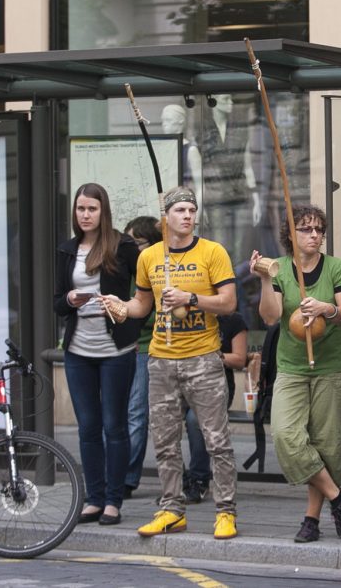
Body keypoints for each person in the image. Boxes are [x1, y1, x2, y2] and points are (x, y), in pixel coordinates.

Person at [106, 185, 240, 540]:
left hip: (203, 358)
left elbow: (228, 303)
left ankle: (225, 510)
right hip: (161, 360)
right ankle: (171, 510)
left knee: (216, 440)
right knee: (164, 441)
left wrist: (191, 297)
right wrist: (121, 309)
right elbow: (141, 305)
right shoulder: (149, 258)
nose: (187, 216)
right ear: (166, 217)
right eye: (180, 210)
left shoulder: (213, 252)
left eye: (191, 211)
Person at [250, 204, 341, 544]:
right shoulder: (279, 269)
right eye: (306, 229)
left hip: (330, 366)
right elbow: (270, 317)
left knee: (325, 444)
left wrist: (328, 308)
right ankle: (338, 495)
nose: (314, 235)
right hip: (292, 366)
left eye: (319, 230)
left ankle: (311, 519)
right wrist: (266, 280)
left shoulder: (336, 268)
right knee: (286, 434)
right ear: (291, 235)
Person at [54, 183, 143, 526]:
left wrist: (133, 316)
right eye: (81, 209)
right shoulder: (67, 250)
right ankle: (93, 498)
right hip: (78, 350)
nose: (86, 215)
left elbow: (148, 283)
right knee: (88, 428)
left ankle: (113, 501)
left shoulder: (123, 246)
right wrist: (71, 300)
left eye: (92, 209)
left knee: (114, 425)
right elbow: (56, 302)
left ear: (103, 211)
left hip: (116, 349)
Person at [182, 311, 248, 504]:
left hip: (217, 384)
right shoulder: (189, 314)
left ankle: (199, 479)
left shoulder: (233, 320)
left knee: (195, 420)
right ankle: (178, 481)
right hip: (182, 380)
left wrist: (213, 356)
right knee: (163, 418)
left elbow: (239, 359)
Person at [121, 215, 162, 499]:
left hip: (146, 349)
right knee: (118, 414)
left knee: (137, 413)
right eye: (128, 242)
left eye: (137, 242)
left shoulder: (157, 269)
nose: (132, 248)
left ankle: (126, 478)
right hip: (122, 349)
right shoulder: (125, 269)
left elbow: (149, 313)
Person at [198, 93, 261, 260]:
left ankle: (237, 284)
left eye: (231, 99)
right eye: (226, 99)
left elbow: (247, 166)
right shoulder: (203, 133)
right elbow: (198, 173)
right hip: (215, 198)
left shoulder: (239, 132)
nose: (231, 103)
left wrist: (256, 199)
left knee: (240, 247)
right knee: (220, 246)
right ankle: (224, 284)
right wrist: (200, 202)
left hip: (240, 196)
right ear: (214, 102)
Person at [160, 104, 204, 211]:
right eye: (163, 121)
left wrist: (196, 215)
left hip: (182, 209)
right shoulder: (160, 149)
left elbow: (201, 187)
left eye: (168, 120)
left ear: (180, 121)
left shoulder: (190, 150)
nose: (164, 124)